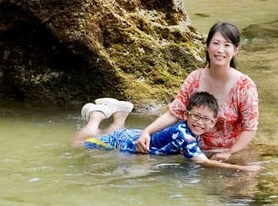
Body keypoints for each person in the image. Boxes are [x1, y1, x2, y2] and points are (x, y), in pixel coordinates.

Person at [136, 21, 258, 161]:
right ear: (207, 46)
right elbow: (174, 113)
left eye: (227, 45)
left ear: (235, 50)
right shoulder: (194, 78)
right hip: (192, 149)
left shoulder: (244, 86)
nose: (220, 50)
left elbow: (250, 128)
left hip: (229, 150)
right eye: (216, 43)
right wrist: (147, 131)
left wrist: (229, 153)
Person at [71, 93, 260, 172]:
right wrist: (243, 169)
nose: (200, 122)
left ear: (213, 123)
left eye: (206, 119)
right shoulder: (183, 134)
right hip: (126, 143)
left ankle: (120, 115)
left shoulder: (191, 130)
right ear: (186, 115)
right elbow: (204, 163)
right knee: (77, 145)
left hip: (135, 138)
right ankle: (96, 116)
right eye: (196, 116)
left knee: (115, 134)